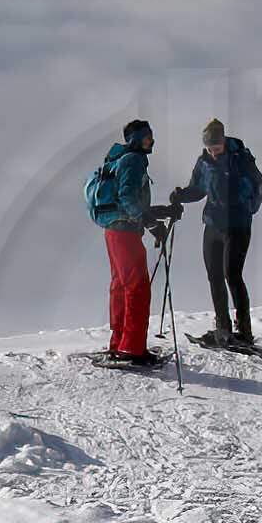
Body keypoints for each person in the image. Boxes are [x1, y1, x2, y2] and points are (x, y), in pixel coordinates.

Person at [177, 119, 262, 351]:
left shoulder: (240, 158)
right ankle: (223, 327)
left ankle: (244, 331)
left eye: (216, 147)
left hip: (238, 224)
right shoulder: (204, 162)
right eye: (209, 147)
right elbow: (197, 189)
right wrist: (180, 195)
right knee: (214, 275)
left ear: (223, 141)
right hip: (212, 225)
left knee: (232, 275)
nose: (213, 151)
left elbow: (259, 185)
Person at [84, 120, 169, 366]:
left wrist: (153, 213)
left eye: (151, 136)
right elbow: (127, 196)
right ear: (135, 139)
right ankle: (132, 349)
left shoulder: (118, 160)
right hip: (126, 231)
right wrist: (149, 222)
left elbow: (127, 199)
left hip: (114, 229)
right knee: (137, 287)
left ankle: (119, 342)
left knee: (121, 286)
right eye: (146, 137)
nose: (151, 141)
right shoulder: (133, 160)